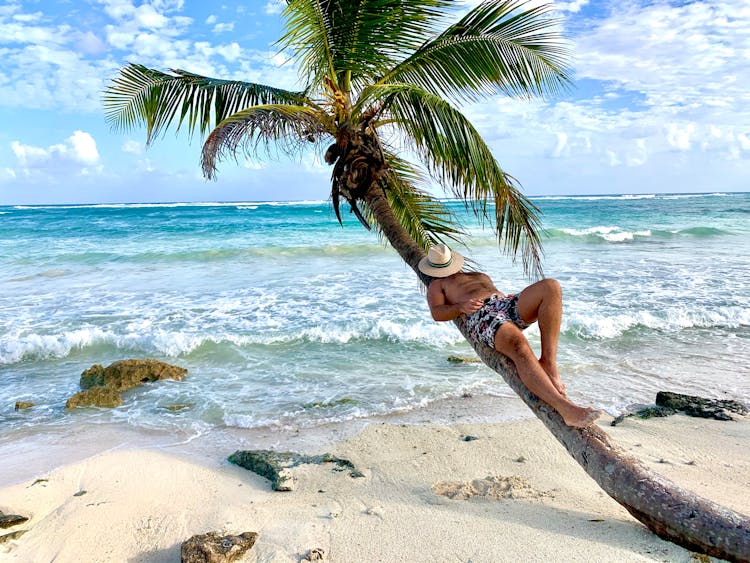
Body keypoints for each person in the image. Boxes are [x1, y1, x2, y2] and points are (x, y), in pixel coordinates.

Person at [419, 244, 601, 429]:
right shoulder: (437, 285)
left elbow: (493, 293)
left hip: (503, 304)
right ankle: (567, 409)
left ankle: (549, 362)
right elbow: (437, 313)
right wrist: (460, 307)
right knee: (518, 345)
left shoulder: (478, 276)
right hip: (481, 315)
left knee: (551, 287)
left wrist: (510, 299)